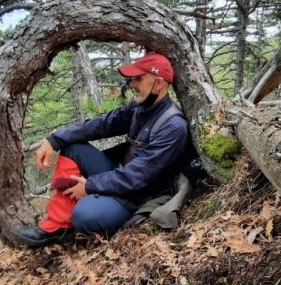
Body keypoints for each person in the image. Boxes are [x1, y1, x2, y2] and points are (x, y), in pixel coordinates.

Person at [13, 52, 191, 248]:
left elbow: (138, 177)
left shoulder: (173, 127)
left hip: (140, 194)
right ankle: (57, 226)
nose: (132, 84)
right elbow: (101, 125)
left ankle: (95, 210)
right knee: (72, 148)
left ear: (158, 84)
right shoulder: (139, 108)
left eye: (138, 79)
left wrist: (90, 186)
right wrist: (55, 140)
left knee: (83, 216)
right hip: (120, 173)